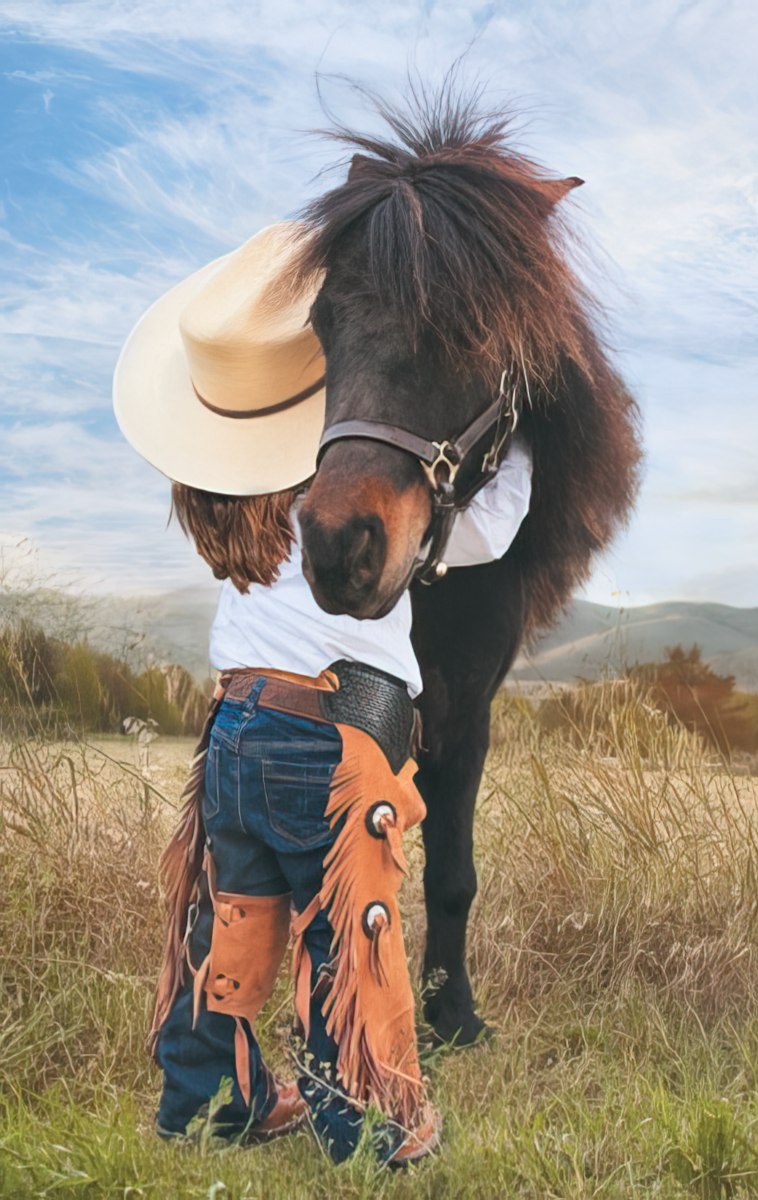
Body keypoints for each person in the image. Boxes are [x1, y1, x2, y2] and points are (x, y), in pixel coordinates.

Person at [113, 223, 532, 1164]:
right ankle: (369, 1128)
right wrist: (522, 430)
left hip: (233, 727)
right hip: (336, 739)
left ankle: (210, 1104)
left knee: (227, 919)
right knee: (351, 934)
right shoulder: (340, 509)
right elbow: (492, 533)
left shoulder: (220, 502)